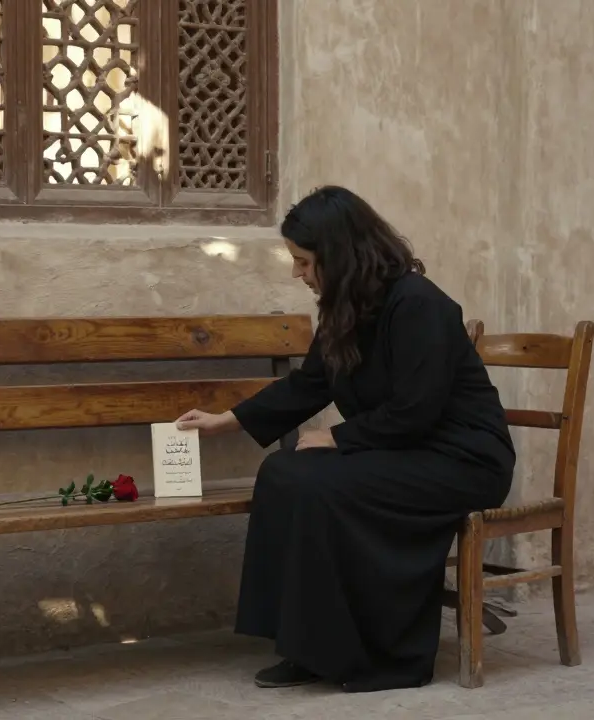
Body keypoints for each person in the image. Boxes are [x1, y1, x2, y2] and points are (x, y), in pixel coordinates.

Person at [175, 185, 515, 693]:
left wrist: (337, 437)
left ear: (339, 256)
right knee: (285, 472)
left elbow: (416, 409)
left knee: (320, 485)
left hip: (463, 460)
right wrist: (230, 419)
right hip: (402, 451)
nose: (298, 273)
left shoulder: (420, 305)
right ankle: (306, 646)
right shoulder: (345, 308)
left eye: (304, 261)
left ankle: (382, 657)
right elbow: (310, 383)